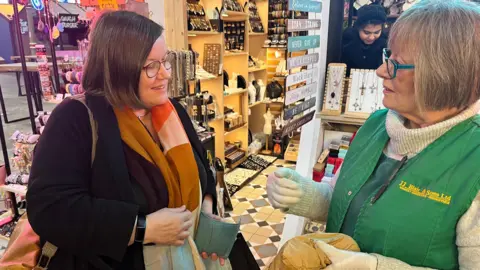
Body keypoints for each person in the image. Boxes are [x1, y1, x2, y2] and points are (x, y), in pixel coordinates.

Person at [267, 0, 480, 269]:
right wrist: (303, 195)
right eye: (386, 57)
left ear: (442, 75)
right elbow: (345, 200)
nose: (381, 71)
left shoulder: (474, 161)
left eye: (396, 63)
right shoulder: (375, 125)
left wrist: (376, 267)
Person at [26, 11, 221, 269]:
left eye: (165, 62)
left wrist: (206, 211)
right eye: (150, 66)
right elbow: (50, 209)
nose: (165, 74)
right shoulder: (76, 119)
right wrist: (142, 228)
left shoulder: (172, 111)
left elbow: (201, 169)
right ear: (119, 67)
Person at [342, 4, 387, 73]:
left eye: (376, 32)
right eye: (367, 32)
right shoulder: (346, 41)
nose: (371, 37)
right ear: (358, 28)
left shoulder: (385, 44)